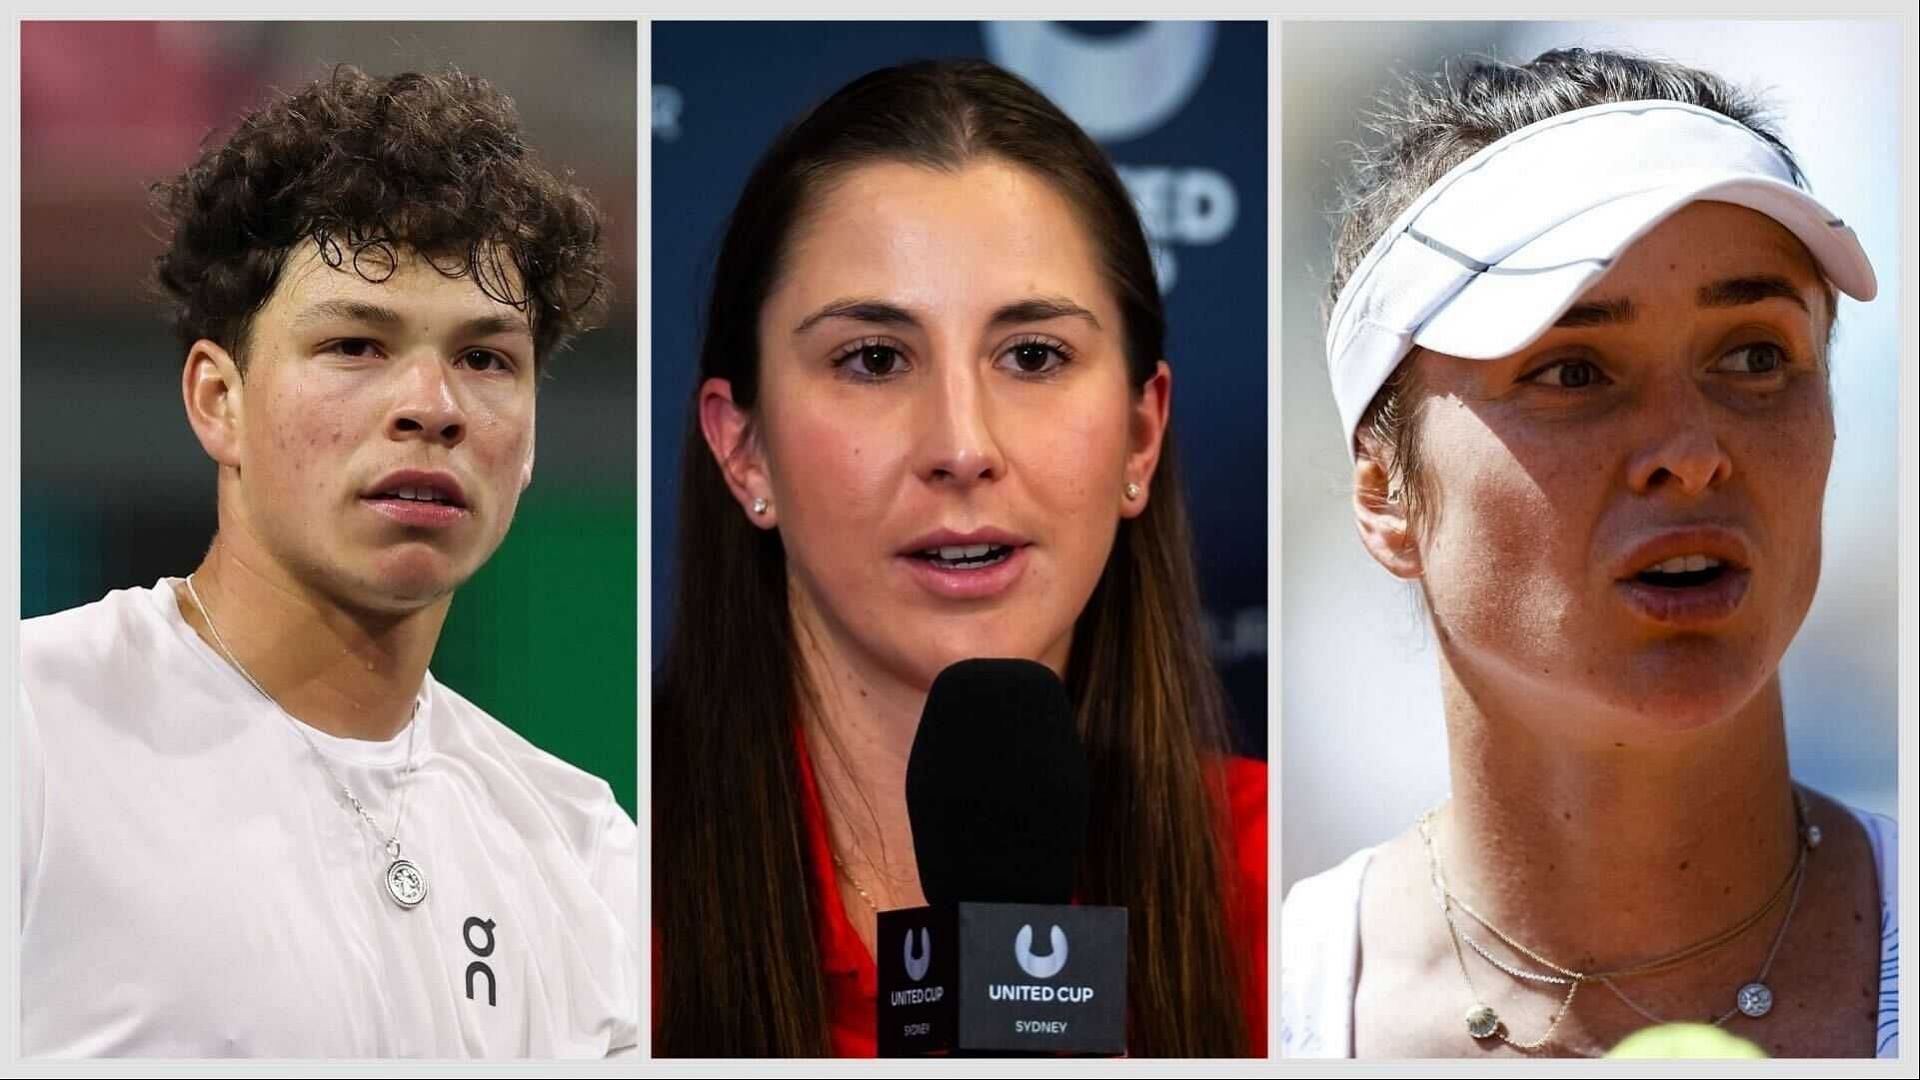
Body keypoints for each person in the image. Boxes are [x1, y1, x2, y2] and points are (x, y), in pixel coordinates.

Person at [1279, 48, 1896, 1059]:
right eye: (1572, 370)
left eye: (1755, 356)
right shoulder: (1252, 994)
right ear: (1384, 491)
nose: (1692, 455)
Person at [17, 67, 637, 1058]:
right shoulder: (32, 733)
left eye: (485, 359)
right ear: (219, 401)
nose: (432, 405)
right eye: (355, 344)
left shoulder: (585, 850)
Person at [652, 59, 1266, 1057]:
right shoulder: (589, 876)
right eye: (875, 359)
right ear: (742, 448)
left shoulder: (1284, 894)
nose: (963, 445)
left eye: (1032, 356)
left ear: (1141, 438)